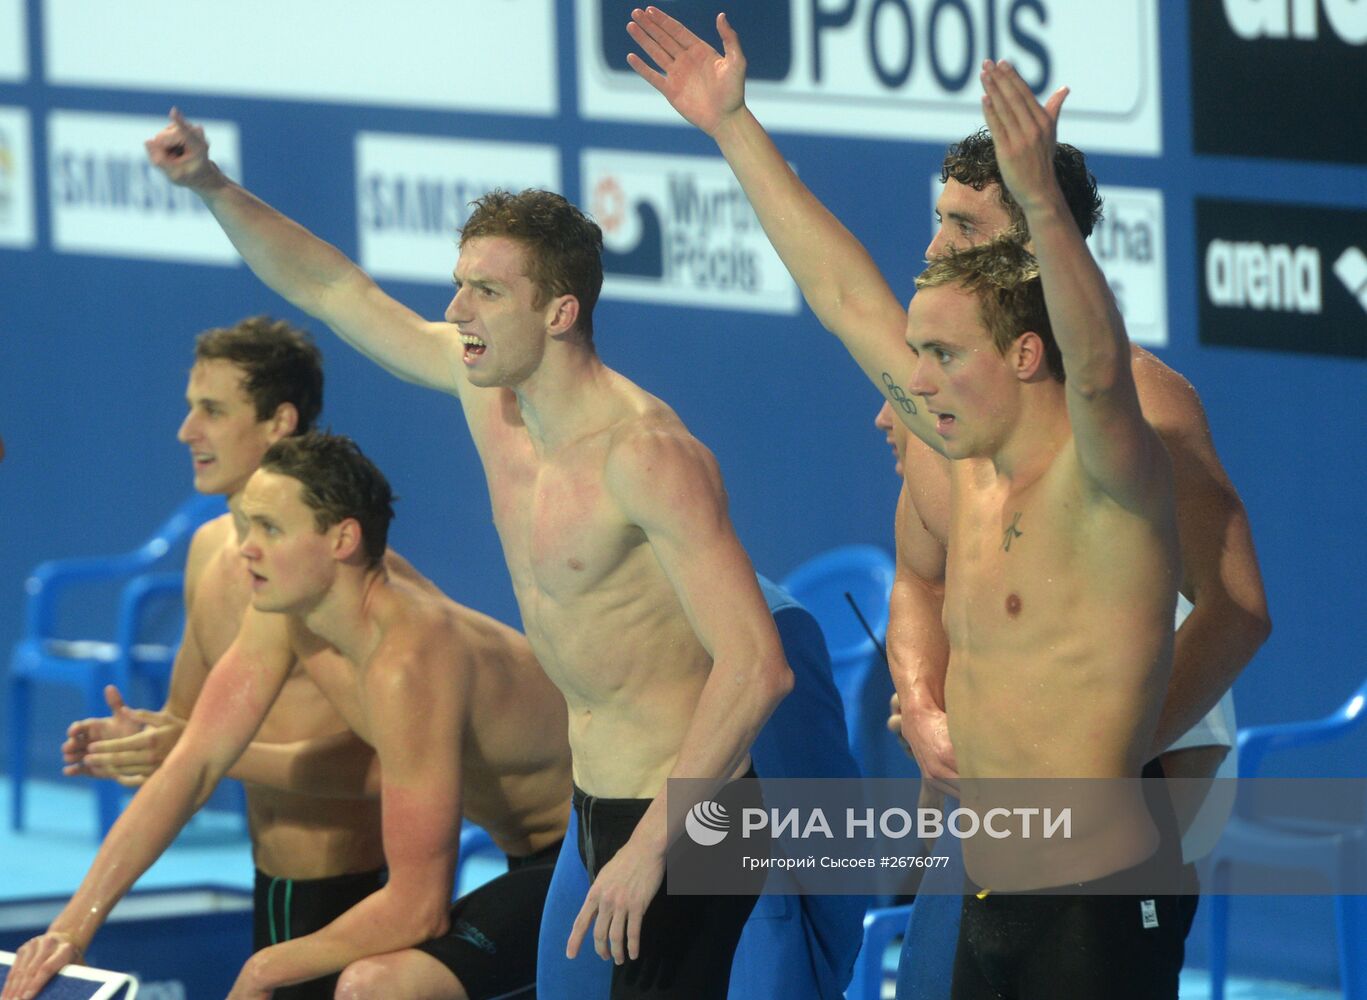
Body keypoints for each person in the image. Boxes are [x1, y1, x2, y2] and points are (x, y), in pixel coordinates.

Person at [144, 109, 793, 999]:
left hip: (689, 821)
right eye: (459, 287)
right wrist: (212, 187)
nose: (456, 311)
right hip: (592, 812)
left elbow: (757, 667)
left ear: (560, 311)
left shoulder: (646, 457)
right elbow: (335, 290)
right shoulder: (488, 395)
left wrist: (652, 852)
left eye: (485, 292)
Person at [629, 10, 1192, 995]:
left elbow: (1095, 370)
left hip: (1095, 892)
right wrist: (731, 128)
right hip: (985, 875)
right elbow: (841, 295)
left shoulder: (1110, 468)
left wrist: (1039, 204)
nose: (911, 384)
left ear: (1019, 355)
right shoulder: (963, 464)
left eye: (939, 358)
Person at [3, 432, 574, 1000]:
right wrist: (69, 932)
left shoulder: (408, 660)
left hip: (623, 841)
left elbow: (418, 908)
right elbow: (192, 765)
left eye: (270, 529)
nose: (246, 547)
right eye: (248, 526)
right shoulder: (287, 608)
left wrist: (262, 970)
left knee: (375, 987)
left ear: (342, 539)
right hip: (536, 853)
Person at [60, 318, 390, 1000]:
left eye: (212, 411)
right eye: (190, 408)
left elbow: (388, 767)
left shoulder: (339, 574)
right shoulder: (212, 553)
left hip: (351, 900)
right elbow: (189, 728)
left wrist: (195, 752)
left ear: (279, 422)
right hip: (269, 889)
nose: (187, 431)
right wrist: (144, 741)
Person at [535, 574, 870, 999]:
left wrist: (824, 972)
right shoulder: (586, 602)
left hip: (736, 899)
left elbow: (826, 826)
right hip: (598, 875)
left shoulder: (768, 625)